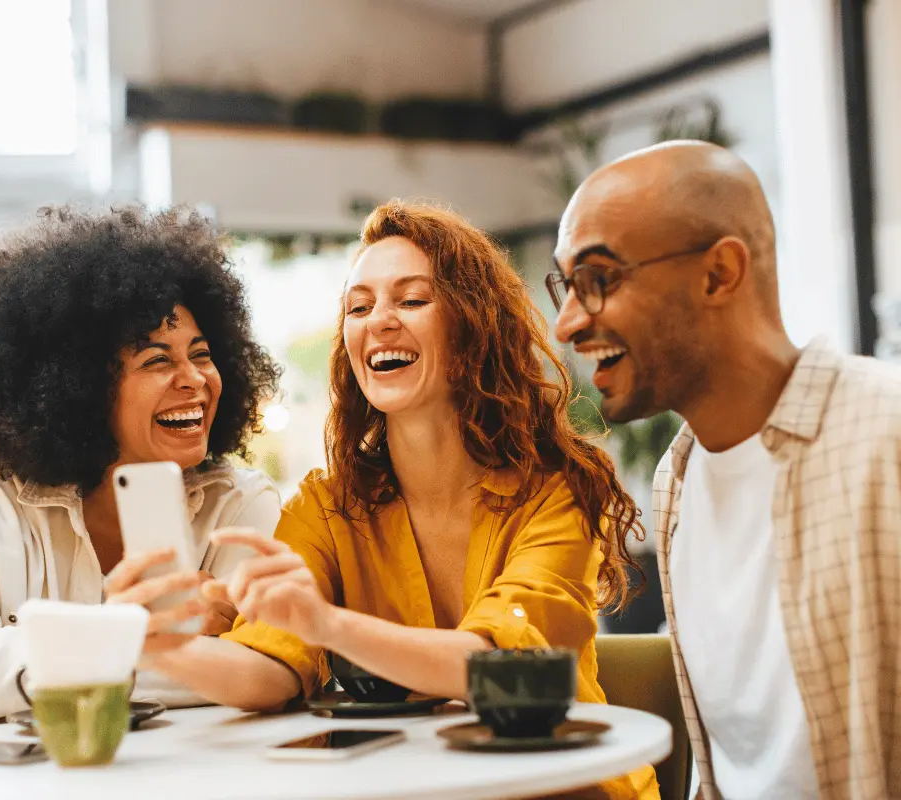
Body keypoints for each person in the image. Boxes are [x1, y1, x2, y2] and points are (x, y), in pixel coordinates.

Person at [150, 201, 660, 799]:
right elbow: (268, 668)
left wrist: (329, 625)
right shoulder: (325, 507)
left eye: (411, 300)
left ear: (473, 328)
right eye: (358, 307)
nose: (379, 322)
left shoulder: (553, 494)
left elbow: (494, 668)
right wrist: (157, 645)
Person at [549, 141, 901, 799]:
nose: (567, 323)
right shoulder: (677, 480)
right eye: (565, 286)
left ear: (718, 274)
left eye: (598, 279)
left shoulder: (885, 438)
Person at [0, 205, 282, 743]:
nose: (194, 380)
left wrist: (50, 655)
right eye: (157, 361)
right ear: (83, 387)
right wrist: (121, 632)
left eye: (202, 354)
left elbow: (264, 675)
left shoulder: (239, 505)